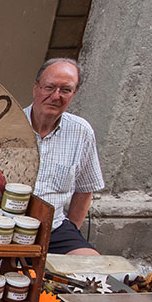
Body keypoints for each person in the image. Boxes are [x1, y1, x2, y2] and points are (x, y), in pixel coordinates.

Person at [25, 58, 104, 255]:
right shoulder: (8, 126)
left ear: (74, 93)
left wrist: (73, 230)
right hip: (6, 226)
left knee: (91, 267)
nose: (56, 96)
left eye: (65, 90)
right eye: (49, 87)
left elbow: (85, 190)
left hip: (54, 228)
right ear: (36, 88)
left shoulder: (81, 131)